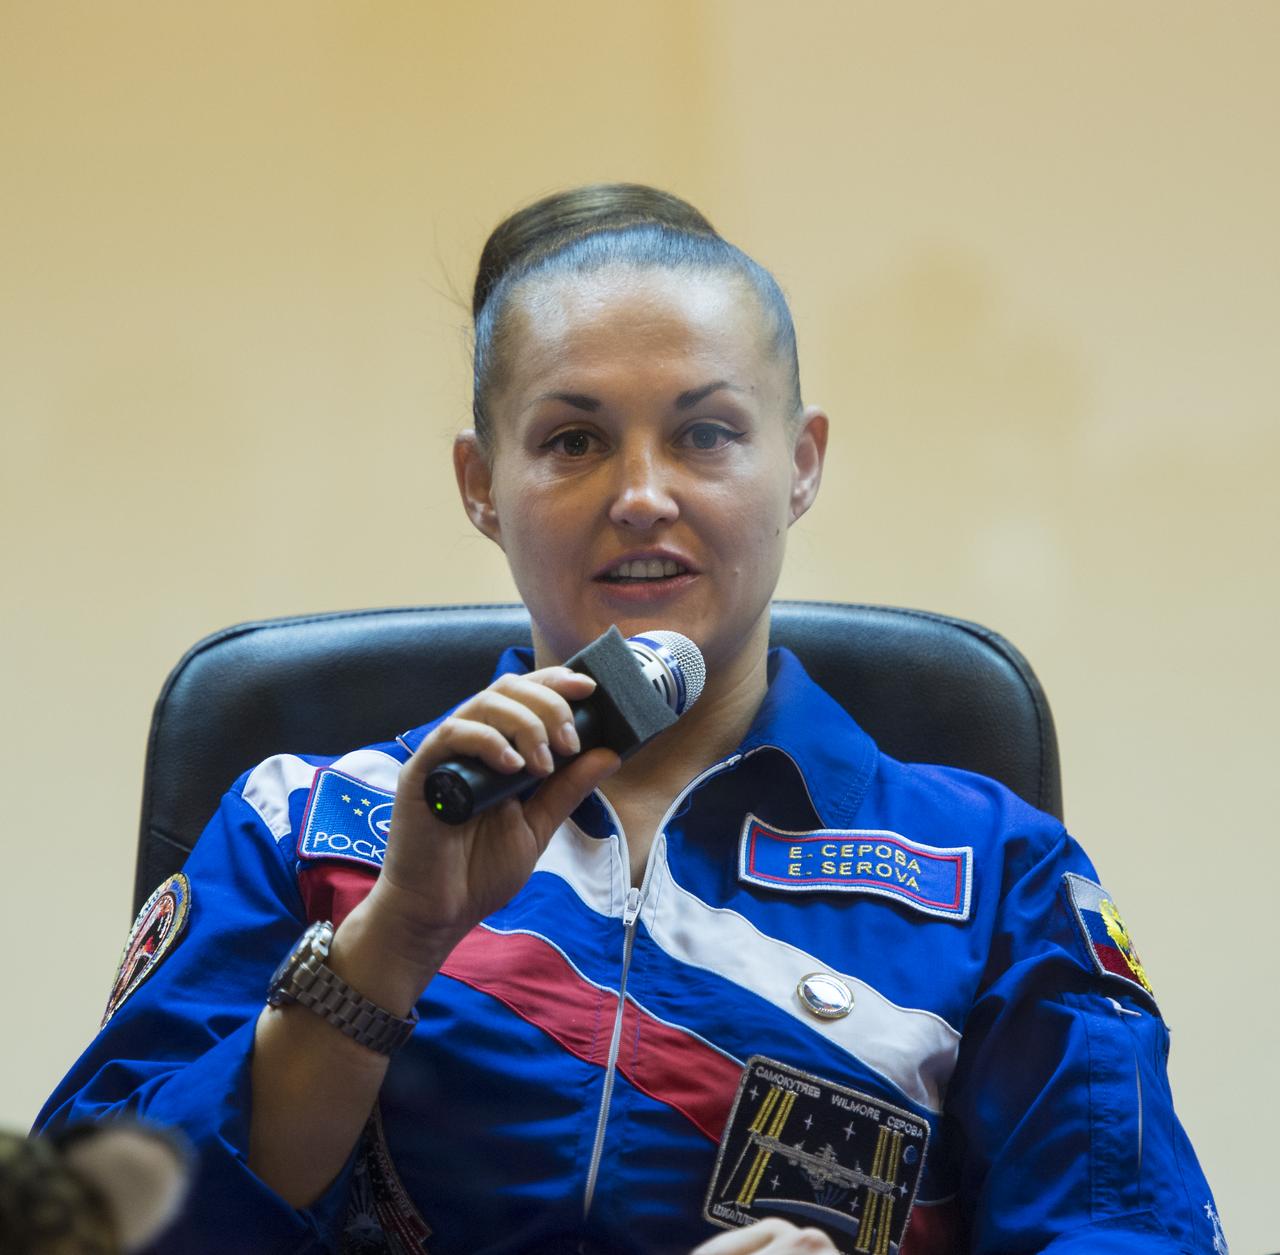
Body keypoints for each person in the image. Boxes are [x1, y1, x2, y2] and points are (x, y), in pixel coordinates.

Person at [38, 185, 1225, 1255]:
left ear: (800, 463)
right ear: (480, 484)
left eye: (705, 433)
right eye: (573, 440)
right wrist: (391, 939)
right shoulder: (304, 824)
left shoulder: (997, 872)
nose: (642, 495)